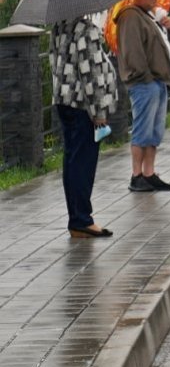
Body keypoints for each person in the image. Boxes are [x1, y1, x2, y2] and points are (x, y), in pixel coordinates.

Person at [50, 15, 118, 237]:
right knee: (83, 163)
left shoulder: (60, 26)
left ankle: (76, 219)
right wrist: (99, 112)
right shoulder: (86, 29)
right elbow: (92, 73)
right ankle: (82, 220)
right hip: (82, 104)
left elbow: (54, 63)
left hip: (64, 99)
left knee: (71, 160)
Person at [115, 0, 170, 192]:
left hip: (157, 81)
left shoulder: (149, 16)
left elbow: (161, 44)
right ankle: (136, 175)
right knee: (142, 129)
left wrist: (169, 26)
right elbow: (134, 54)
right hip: (144, 83)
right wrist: (146, 77)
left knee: (154, 131)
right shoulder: (130, 16)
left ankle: (149, 173)